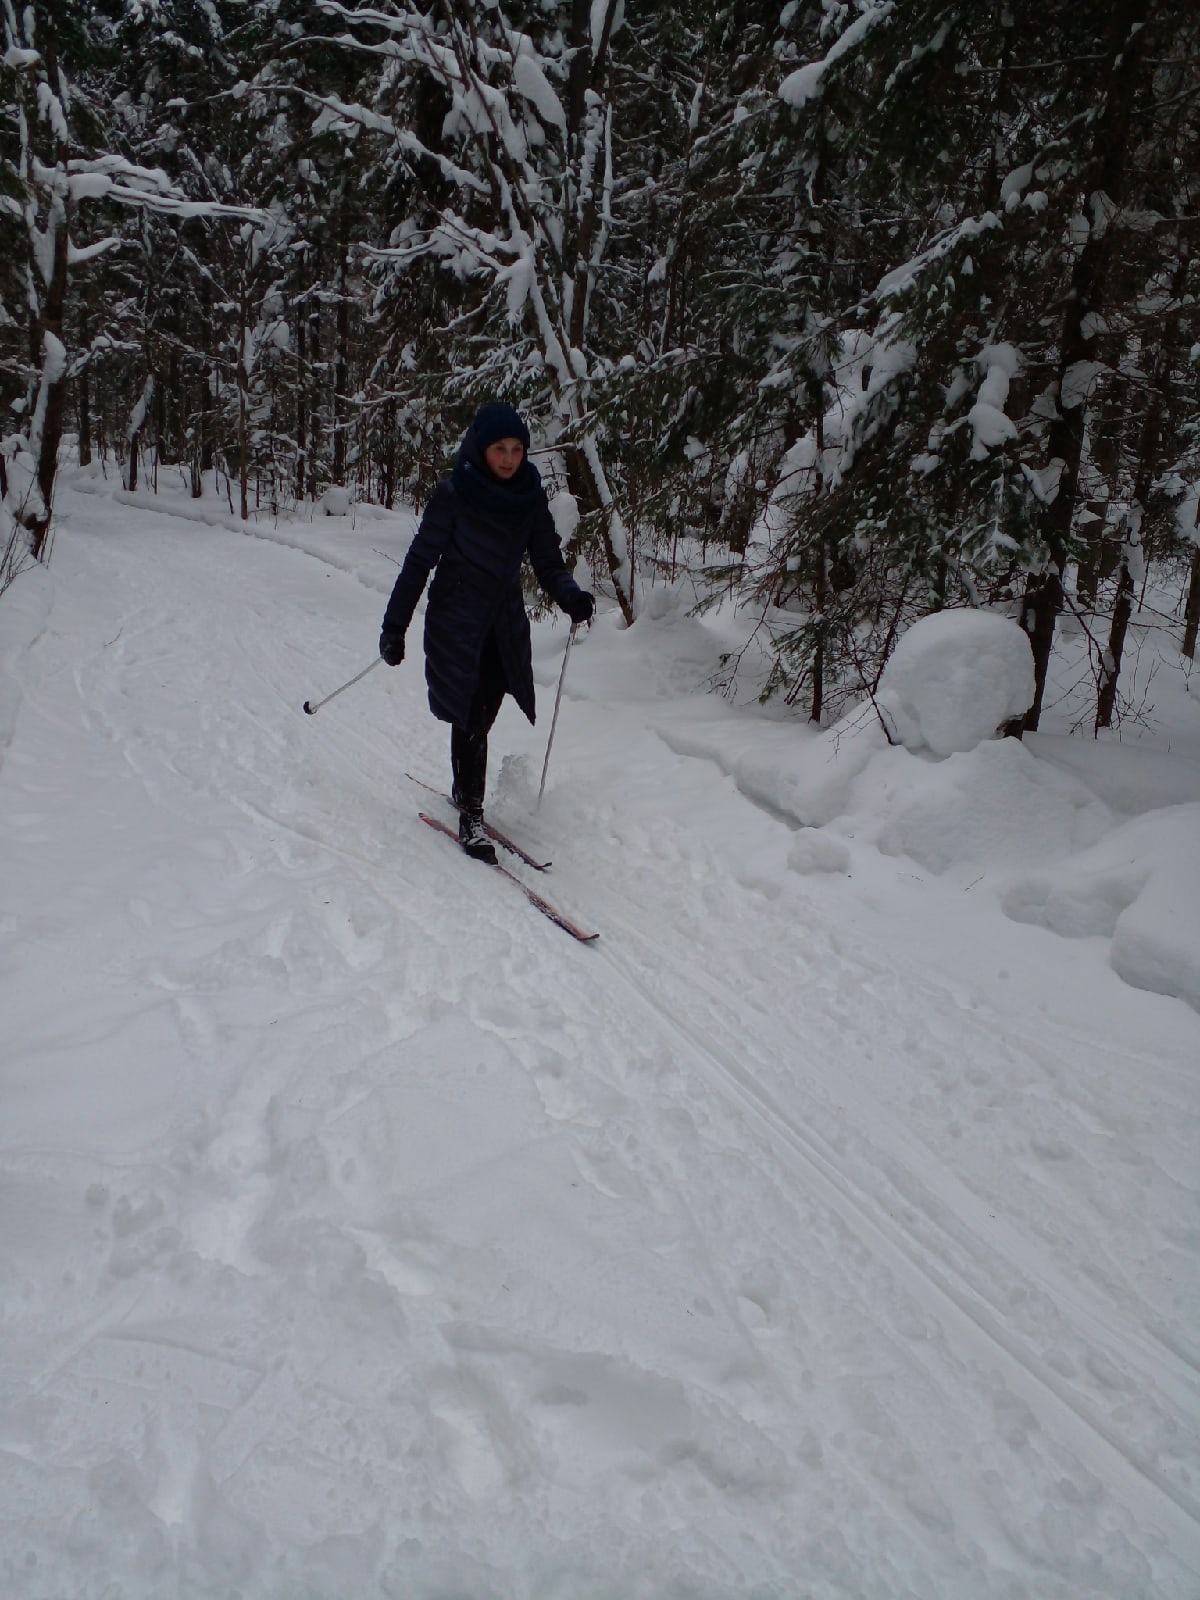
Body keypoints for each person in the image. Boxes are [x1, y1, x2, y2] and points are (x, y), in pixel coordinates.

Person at [379, 402, 595, 864]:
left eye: (517, 449)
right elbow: (420, 561)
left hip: (503, 622)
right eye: (500, 448)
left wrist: (570, 595)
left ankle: (464, 783)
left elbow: (547, 558)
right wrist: (394, 626)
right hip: (456, 620)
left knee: (487, 708)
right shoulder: (455, 493)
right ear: (482, 447)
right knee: (470, 711)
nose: (509, 458)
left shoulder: (528, 497)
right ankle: (472, 813)